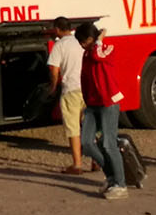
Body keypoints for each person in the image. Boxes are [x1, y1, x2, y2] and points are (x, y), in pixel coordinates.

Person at [76, 23, 128, 199]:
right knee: (87, 142)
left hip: (109, 102)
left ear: (93, 38)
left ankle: (121, 184)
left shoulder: (106, 48)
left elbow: (99, 56)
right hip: (92, 104)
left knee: (108, 142)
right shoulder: (86, 54)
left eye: (85, 41)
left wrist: (99, 40)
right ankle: (112, 176)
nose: (82, 45)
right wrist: (85, 103)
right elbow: (85, 78)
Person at [46, 16, 90, 173]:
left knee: (73, 129)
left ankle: (77, 164)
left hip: (70, 90)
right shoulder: (79, 42)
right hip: (86, 89)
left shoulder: (59, 46)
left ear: (57, 29)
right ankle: (96, 161)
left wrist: (52, 86)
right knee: (90, 126)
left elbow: (54, 69)